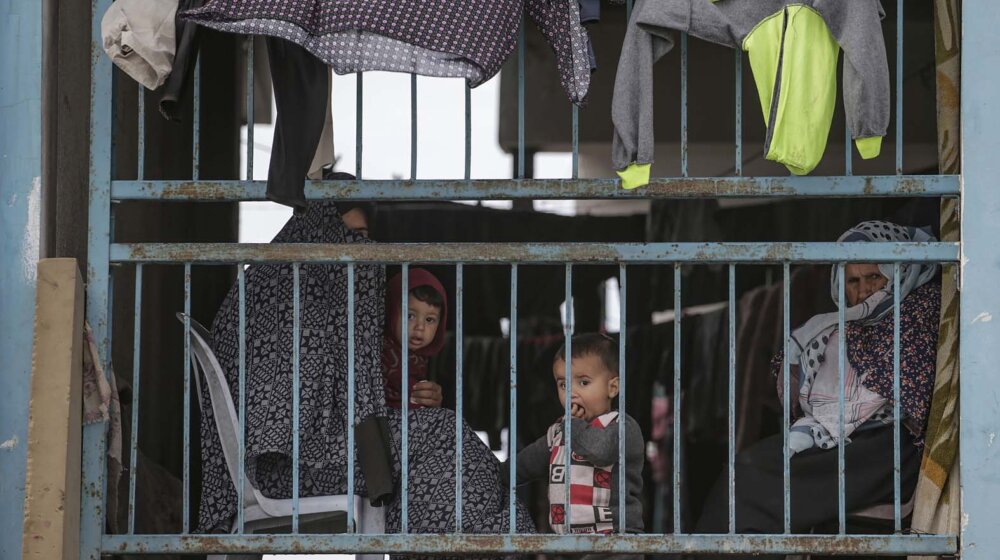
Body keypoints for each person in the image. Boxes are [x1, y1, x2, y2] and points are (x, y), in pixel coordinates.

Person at [198, 188, 536, 556]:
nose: (362, 250)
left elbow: (337, 393)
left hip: (310, 450)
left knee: (441, 443)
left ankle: (496, 541)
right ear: (321, 228)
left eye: (364, 238)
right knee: (441, 434)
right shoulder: (294, 294)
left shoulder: (282, 281)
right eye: (353, 236)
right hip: (288, 463)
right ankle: (509, 544)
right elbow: (298, 418)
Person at [695, 221, 941, 557]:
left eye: (875, 277)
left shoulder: (921, 310)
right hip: (843, 442)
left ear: (899, 272)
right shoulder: (841, 325)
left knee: (747, 479)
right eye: (853, 281)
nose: (864, 290)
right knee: (743, 477)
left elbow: (904, 391)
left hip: (885, 447)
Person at [515, 333, 644, 555]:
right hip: (569, 547)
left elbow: (599, 451)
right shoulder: (558, 432)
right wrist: (491, 474)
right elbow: (525, 464)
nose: (571, 393)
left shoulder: (622, 426)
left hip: (615, 544)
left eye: (583, 382)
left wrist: (574, 425)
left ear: (612, 388)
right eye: (563, 384)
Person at [383, 269, 447, 410]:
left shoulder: (418, 359)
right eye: (409, 316)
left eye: (429, 319)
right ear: (391, 312)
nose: (420, 327)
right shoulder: (383, 352)